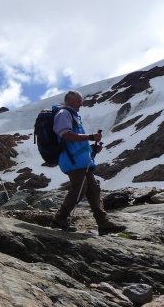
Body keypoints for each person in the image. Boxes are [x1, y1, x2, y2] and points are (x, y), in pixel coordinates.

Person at [52, 90, 126, 235]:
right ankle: (59, 218)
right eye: (79, 100)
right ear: (70, 100)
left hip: (81, 160)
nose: (81, 103)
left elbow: (76, 141)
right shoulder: (63, 114)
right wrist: (91, 137)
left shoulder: (73, 116)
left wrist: (93, 148)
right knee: (80, 188)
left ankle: (103, 223)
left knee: (93, 189)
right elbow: (66, 135)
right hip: (72, 160)